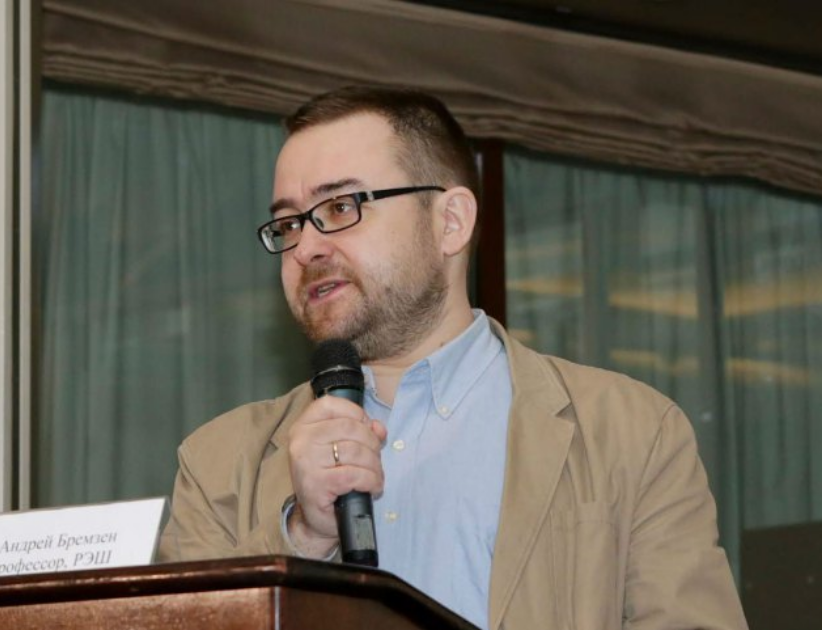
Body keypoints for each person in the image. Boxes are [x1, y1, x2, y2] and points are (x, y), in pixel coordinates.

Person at [156, 85, 747, 630]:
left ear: (451, 222)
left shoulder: (631, 433)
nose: (306, 246)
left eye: (340, 207)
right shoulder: (216, 468)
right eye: (289, 222)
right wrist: (303, 538)